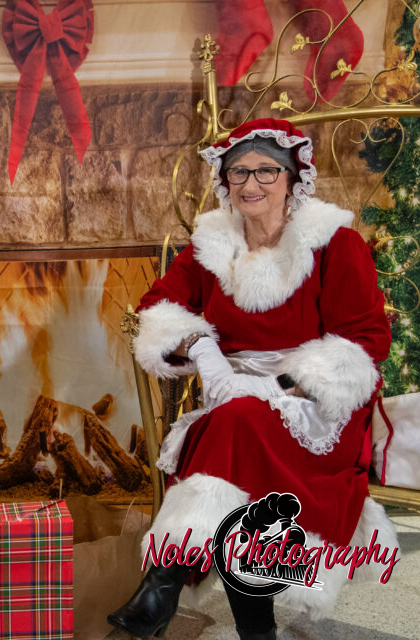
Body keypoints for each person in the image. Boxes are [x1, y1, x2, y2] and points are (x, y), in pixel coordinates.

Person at [107, 118, 399, 640]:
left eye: (266, 171)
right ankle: (252, 627)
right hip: (231, 396)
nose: (251, 183)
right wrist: (204, 351)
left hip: (317, 404)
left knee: (231, 429)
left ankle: (164, 582)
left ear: (292, 177)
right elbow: (158, 308)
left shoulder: (334, 242)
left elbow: (365, 340)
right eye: (238, 172)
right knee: (234, 432)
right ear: (225, 181)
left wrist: (279, 387)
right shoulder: (212, 245)